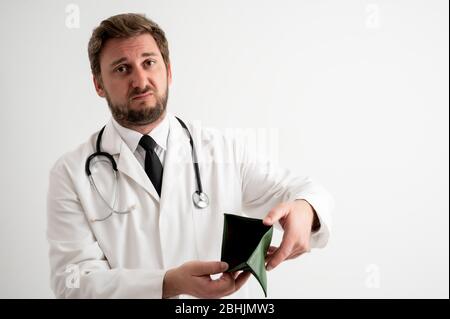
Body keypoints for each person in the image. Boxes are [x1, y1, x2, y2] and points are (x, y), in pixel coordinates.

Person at [47, 13, 334, 299]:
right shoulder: (71, 173)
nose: (140, 80)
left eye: (149, 63)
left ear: (168, 71)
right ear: (98, 84)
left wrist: (306, 209)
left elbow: (302, 189)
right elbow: (72, 283)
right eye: (122, 69)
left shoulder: (222, 150)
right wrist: (168, 283)